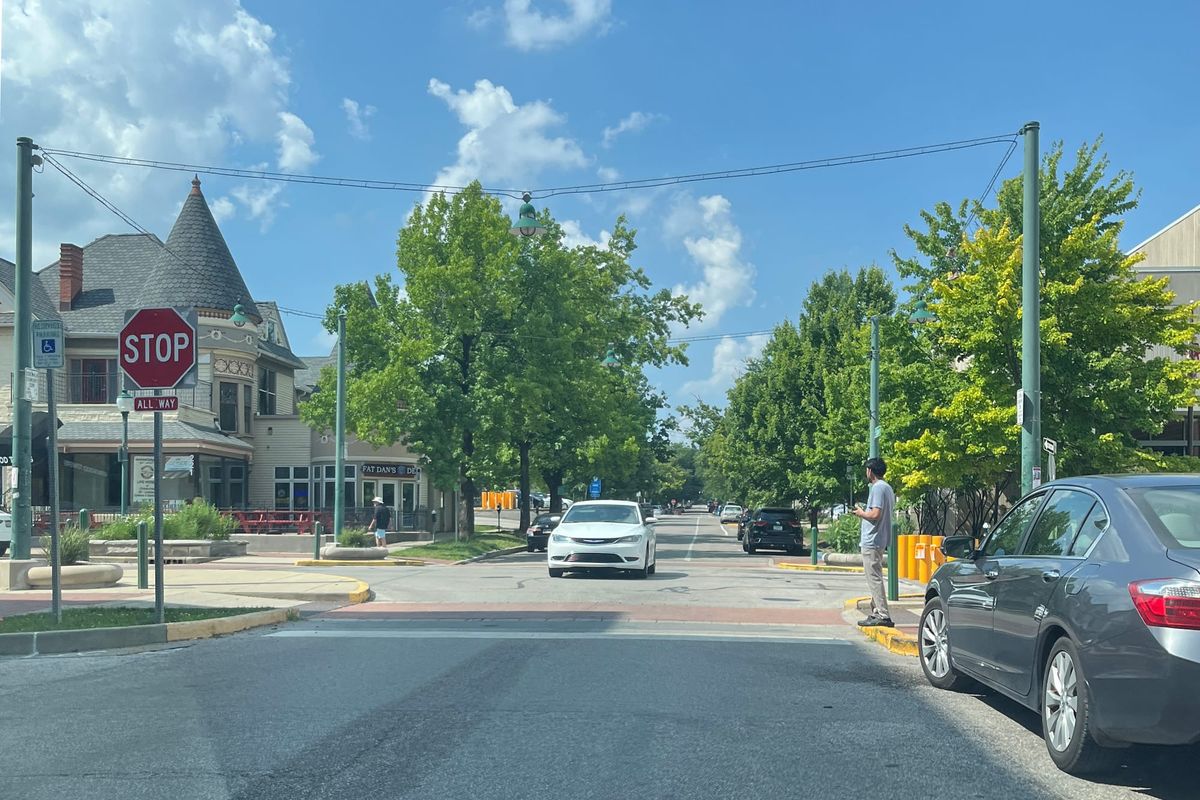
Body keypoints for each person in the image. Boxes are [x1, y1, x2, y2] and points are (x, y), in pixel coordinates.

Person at [851, 457, 895, 627]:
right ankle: (876, 611)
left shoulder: (877, 488)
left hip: (872, 539)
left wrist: (861, 513)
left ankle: (883, 615)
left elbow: (875, 514)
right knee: (875, 576)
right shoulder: (887, 488)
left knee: (874, 578)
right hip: (880, 538)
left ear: (870, 471)